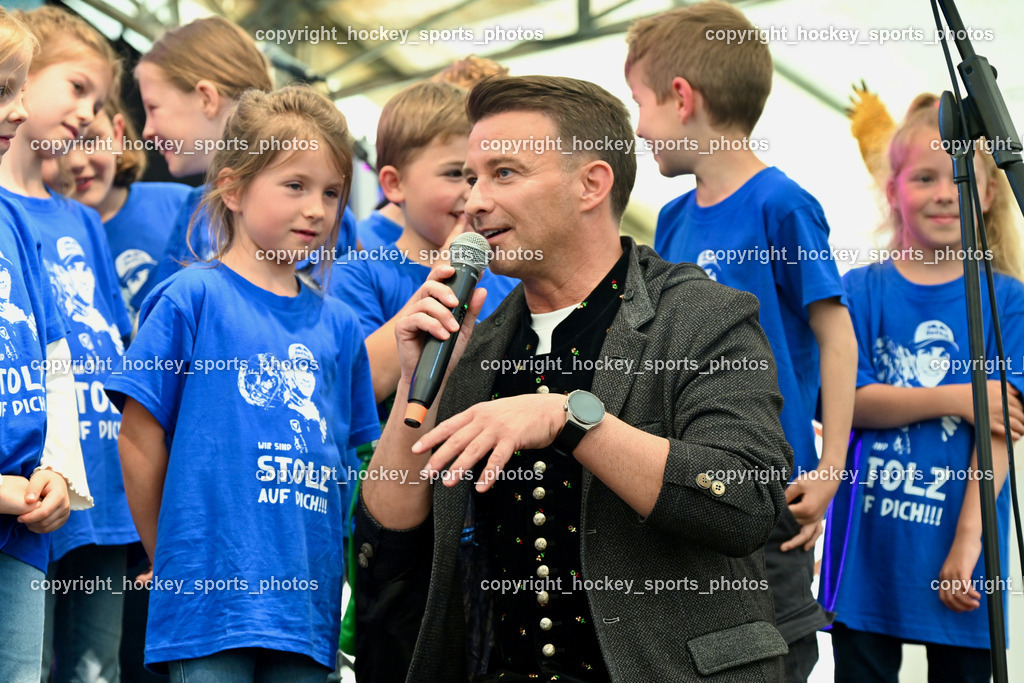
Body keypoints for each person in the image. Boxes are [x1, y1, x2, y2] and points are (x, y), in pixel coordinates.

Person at [354, 74, 793, 682]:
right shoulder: (478, 342)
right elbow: (390, 543)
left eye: (504, 173)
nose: (474, 201)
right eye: (472, 177)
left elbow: (747, 501)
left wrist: (569, 419)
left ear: (592, 183)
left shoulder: (701, 316)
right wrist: (413, 382)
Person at [107, 85, 380, 681]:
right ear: (232, 189)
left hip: (306, 612)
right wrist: (167, 553)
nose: (317, 209)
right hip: (208, 605)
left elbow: (349, 466)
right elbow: (137, 438)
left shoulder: (341, 326)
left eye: (331, 192)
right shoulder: (191, 297)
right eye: (295, 185)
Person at [624, 4, 858, 677]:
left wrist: (830, 468)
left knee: (773, 652)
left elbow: (837, 336)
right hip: (688, 479)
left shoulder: (782, 205)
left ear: (681, 98)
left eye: (639, 103)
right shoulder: (671, 218)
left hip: (769, 488)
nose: (638, 127)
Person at [820, 95, 1024, 683]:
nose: (944, 194)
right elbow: (845, 404)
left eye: (959, 179)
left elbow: (1002, 430)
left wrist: (968, 545)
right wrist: (961, 398)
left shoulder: (1006, 300)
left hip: (964, 553)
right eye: (924, 178)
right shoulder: (859, 290)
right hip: (866, 556)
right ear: (892, 191)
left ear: (988, 194)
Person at [0, 7, 91, 681]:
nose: (20, 108)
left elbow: (54, 360)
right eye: (3, 89)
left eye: (21, 87)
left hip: (22, 530)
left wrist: (57, 471)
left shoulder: (12, 220)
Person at [329, 80, 517, 405]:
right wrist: (444, 276)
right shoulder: (357, 274)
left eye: (483, 177)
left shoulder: (509, 278)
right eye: (455, 174)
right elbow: (352, 389)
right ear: (394, 183)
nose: (474, 194)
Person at [45, 95, 191, 335]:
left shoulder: (182, 205)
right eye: (60, 145)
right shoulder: (37, 238)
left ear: (117, 134)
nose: (76, 162)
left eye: (91, 140)